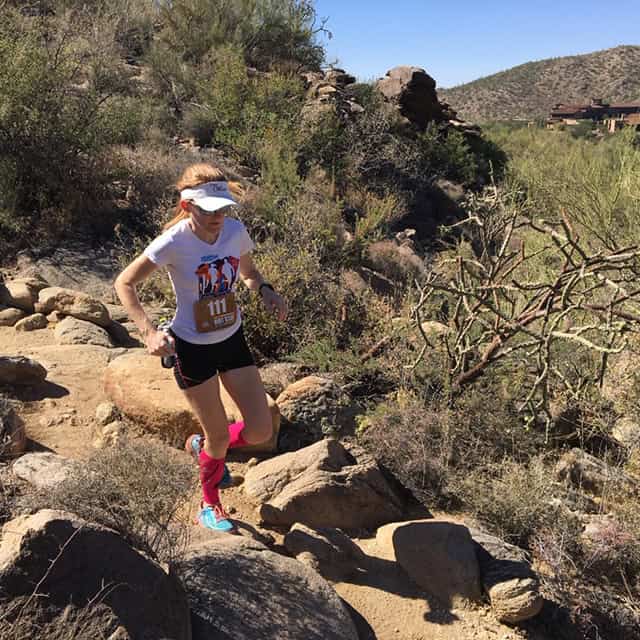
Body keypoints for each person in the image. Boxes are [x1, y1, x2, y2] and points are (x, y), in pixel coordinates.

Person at [114, 163, 287, 532]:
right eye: (208, 209)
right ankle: (210, 505)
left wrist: (266, 291)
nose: (217, 216)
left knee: (260, 431)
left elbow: (249, 273)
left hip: (232, 338)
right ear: (187, 205)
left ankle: (203, 448)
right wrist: (148, 333)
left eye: (222, 208)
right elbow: (124, 283)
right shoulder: (174, 241)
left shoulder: (234, 231)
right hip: (192, 347)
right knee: (219, 436)